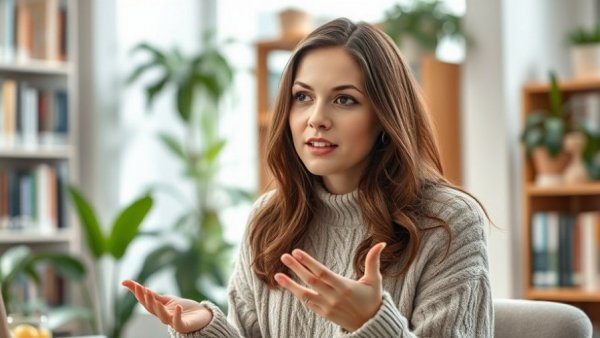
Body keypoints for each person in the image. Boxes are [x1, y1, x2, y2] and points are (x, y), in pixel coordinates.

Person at [122, 17, 493, 337]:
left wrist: (372, 323)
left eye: (344, 99)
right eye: (302, 97)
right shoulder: (269, 218)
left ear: (385, 117)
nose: (316, 118)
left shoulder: (446, 222)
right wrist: (204, 328)